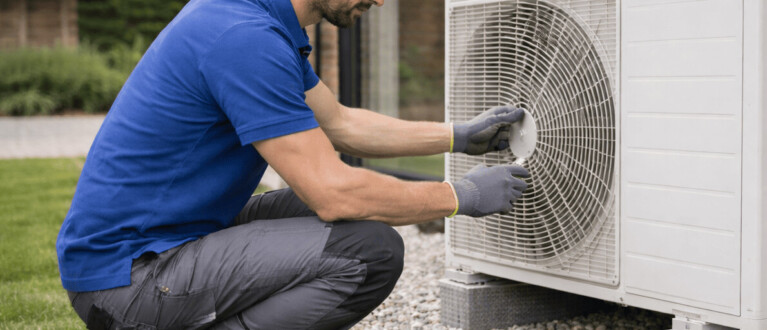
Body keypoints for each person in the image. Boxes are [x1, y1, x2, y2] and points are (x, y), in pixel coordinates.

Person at [55, 0, 529, 328]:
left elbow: (340, 123)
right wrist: (459, 196)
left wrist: (456, 136)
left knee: (327, 217)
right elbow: (333, 192)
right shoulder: (244, 37)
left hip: (167, 242)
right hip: (130, 279)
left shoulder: (257, 21)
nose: (381, 1)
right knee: (371, 250)